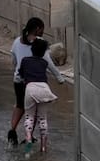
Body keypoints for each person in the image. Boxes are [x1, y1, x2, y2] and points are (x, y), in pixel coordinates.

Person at [19, 38, 64, 153]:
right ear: (44, 52)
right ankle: (43, 147)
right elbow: (51, 71)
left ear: (32, 49)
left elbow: (21, 74)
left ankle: (28, 137)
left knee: (29, 117)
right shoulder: (44, 63)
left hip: (30, 88)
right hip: (44, 89)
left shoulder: (25, 60)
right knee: (42, 119)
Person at [8, 17, 48, 145]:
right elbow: (47, 61)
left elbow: (13, 61)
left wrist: (18, 73)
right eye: (42, 29)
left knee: (19, 105)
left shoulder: (16, 42)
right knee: (33, 110)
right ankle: (29, 138)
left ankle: (12, 132)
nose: (43, 32)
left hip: (18, 80)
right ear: (37, 29)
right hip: (33, 82)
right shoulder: (39, 43)